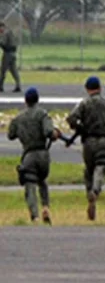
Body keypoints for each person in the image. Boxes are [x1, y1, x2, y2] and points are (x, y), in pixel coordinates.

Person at [67, 76, 105, 221]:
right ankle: (96, 191)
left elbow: (71, 119)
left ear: (87, 89)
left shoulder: (84, 104)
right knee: (102, 167)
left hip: (88, 142)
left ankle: (89, 195)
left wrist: (80, 128)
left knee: (88, 170)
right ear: (100, 88)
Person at [7, 87, 61, 224]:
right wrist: (55, 134)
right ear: (37, 100)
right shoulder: (42, 114)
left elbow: (10, 135)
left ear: (25, 101)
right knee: (42, 181)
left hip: (29, 155)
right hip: (43, 155)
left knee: (30, 185)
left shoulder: (19, 118)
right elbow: (49, 131)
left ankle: (35, 215)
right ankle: (46, 206)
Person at [0, 21, 22, 93]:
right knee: (14, 70)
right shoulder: (11, 33)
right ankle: (18, 85)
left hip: (7, 54)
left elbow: (3, 43)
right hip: (13, 54)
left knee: (3, 70)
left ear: (2, 27)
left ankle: (1, 86)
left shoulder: (5, 34)